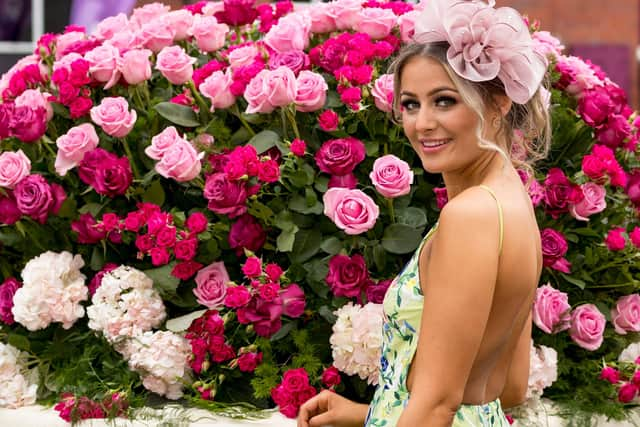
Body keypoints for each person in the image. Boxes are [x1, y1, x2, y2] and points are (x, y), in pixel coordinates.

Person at [298, 0, 551, 426]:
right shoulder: (512, 206)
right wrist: (370, 413)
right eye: (411, 104)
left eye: (445, 101)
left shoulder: (471, 216)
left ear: (499, 102)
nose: (422, 123)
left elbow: (437, 404)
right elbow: (506, 388)